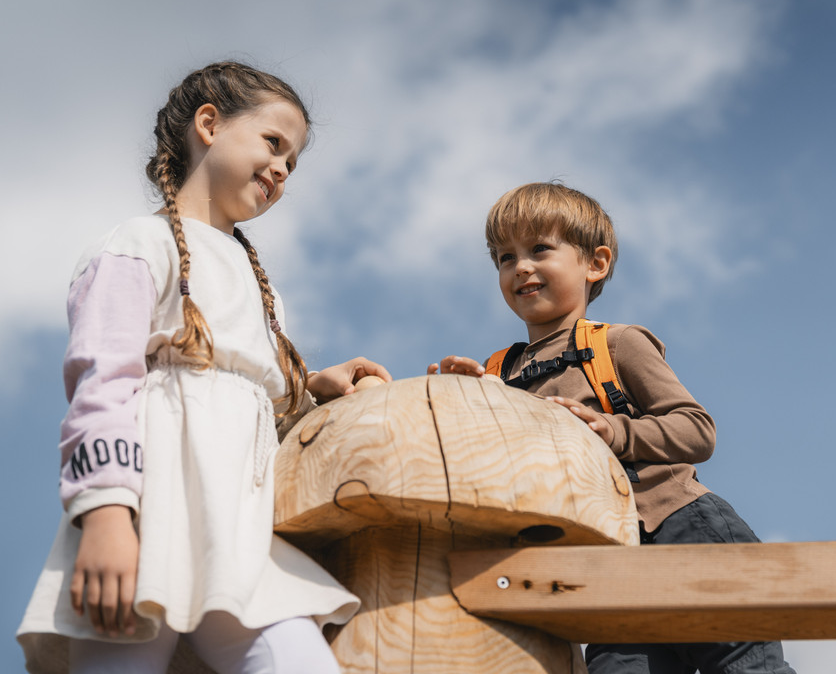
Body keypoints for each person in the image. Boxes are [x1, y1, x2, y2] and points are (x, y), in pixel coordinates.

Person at [17, 61, 392, 674]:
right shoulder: (137, 244)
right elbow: (102, 385)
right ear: (210, 124)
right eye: (273, 142)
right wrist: (107, 517)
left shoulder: (262, 288)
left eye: (293, 163)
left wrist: (310, 390)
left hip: (240, 538)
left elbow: (248, 404)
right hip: (148, 520)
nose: (282, 169)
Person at [428, 182, 795, 674]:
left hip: (681, 526)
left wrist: (614, 431)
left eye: (539, 249)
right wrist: (458, 403)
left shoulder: (617, 344)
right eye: (505, 257)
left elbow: (697, 429)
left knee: (744, 667)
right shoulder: (497, 374)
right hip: (608, 558)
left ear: (595, 264)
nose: (521, 267)